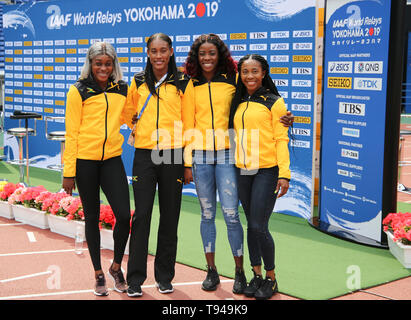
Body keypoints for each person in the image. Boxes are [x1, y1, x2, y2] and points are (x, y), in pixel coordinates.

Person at [183, 34, 294, 294]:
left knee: (233, 217)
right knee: (207, 215)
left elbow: (266, 108)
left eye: (212, 53)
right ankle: (211, 271)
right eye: (202, 54)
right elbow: (188, 125)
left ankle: (241, 273)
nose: (207, 58)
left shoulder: (233, 80)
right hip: (200, 157)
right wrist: (187, 162)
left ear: (220, 55)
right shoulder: (191, 84)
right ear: (196, 58)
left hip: (228, 158)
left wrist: (287, 118)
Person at [125, 33, 194, 297]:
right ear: (148, 53)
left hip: (172, 154)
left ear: (171, 51)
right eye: (153, 51)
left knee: (170, 216)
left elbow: (189, 125)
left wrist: (187, 163)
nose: (158, 56)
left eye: (163, 50)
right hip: (144, 154)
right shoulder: (138, 81)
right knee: (141, 216)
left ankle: (164, 277)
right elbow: (128, 113)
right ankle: (135, 279)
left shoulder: (184, 82)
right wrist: (134, 124)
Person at [63, 42, 133, 296]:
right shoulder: (78, 90)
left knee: (124, 215)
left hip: (112, 159)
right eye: (98, 63)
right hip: (84, 161)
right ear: (90, 64)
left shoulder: (122, 88)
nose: (103, 68)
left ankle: (115, 266)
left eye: (108, 63)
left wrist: (138, 119)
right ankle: (98, 273)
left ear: (114, 64)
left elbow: (128, 117)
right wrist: (68, 172)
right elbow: (72, 134)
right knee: (91, 217)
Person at [229, 54, 291, 300]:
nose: (250, 76)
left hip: (267, 170)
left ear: (263, 73)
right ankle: (255, 274)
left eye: (254, 71)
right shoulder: (238, 99)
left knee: (258, 226)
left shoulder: (274, 102)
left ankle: (271, 278)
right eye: (245, 72)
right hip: (242, 170)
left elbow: (281, 139)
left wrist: (284, 175)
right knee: (250, 226)